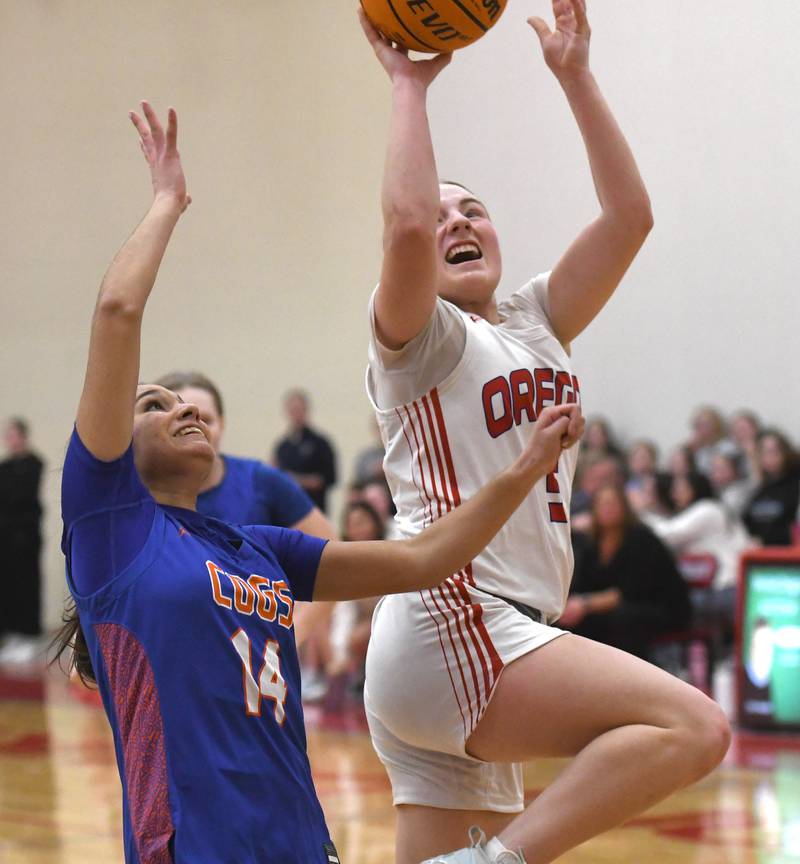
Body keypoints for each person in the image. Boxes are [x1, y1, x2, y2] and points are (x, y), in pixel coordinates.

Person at [51, 102, 582, 864]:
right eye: (153, 403)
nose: (180, 409)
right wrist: (168, 203)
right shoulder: (111, 532)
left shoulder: (255, 546)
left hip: (302, 846)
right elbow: (116, 312)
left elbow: (422, 560)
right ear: (111, 455)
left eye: (186, 401)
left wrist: (525, 469)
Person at [358, 2, 729, 862]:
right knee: (692, 725)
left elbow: (630, 217)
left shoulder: (534, 320)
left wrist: (576, 76)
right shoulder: (419, 340)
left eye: (475, 210)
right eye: (444, 212)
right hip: (459, 620)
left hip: (481, 638)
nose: (456, 221)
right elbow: (407, 224)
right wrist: (408, 86)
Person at [154, 370, 337, 646]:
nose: (196, 428)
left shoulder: (261, 481)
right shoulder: (136, 500)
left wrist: (291, 636)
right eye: (183, 419)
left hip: (251, 670)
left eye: (206, 419)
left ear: (223, 424)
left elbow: (332, 555)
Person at [561, 484, 690, 659]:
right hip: (613, 607)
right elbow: (583, 585)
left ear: (624, 507)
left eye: (612, 504)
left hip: (659, 608)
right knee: (567, 623)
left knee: (621, 619)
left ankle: (628, 679)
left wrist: (584, 604)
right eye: (602, 504)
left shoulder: (641, 539)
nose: (607, 509)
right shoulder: (591, 543)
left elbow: (631, 591)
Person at [0, 418, 44, 662]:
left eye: (14, 435)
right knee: (7, 587)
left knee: (26, 585)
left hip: (25, 539)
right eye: (7, 435)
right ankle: (12, 634)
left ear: (23, 437)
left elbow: (22, 498)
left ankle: (29, 635)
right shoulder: (4, 467)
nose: (10, 440)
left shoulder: (34, 463)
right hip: (5, 538)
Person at [273, 389, 337, 513]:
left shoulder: (321, 443)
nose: (296, 414)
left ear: (307, 410)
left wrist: (297, 480)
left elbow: (330, 478)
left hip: (314, 509)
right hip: (288, 511)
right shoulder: (282, 447)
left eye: (299, 409)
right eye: (293, 410)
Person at [743, 429, 800, 546]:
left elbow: (794, 529)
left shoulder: (795, 486)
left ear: (785, 453)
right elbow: (745, 523)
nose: (769, 457)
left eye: (774, 451)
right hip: (757, 554)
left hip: (785, 555)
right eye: (764, 452)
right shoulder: (759, 490)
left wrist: (765, 540)